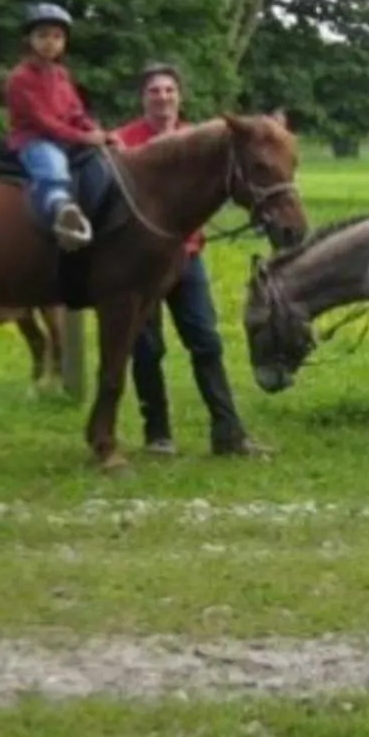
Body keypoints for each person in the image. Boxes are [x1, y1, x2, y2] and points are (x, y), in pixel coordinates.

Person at [114, 62, 273, 458]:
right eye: (154, 90)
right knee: (147, 347)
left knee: (206, 342)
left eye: (169, 90)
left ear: (179, 97)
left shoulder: (199, 140)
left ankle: (229, 434)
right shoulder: (123, 142)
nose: (162, 97)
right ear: (143, 98)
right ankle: (158, 435)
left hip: (186, 256)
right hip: (140, 263)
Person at [3, 0, 112, 252]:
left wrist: (94, 131)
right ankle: (61, 209)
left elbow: (75, 111)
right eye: (42, 36)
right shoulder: (20, 78)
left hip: (66, 138)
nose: (50, 42)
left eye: (57, 36)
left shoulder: (61, 74)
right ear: (29, 39)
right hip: (34, 139)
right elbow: (44, 122)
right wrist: (82, 138)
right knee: (52, 165)